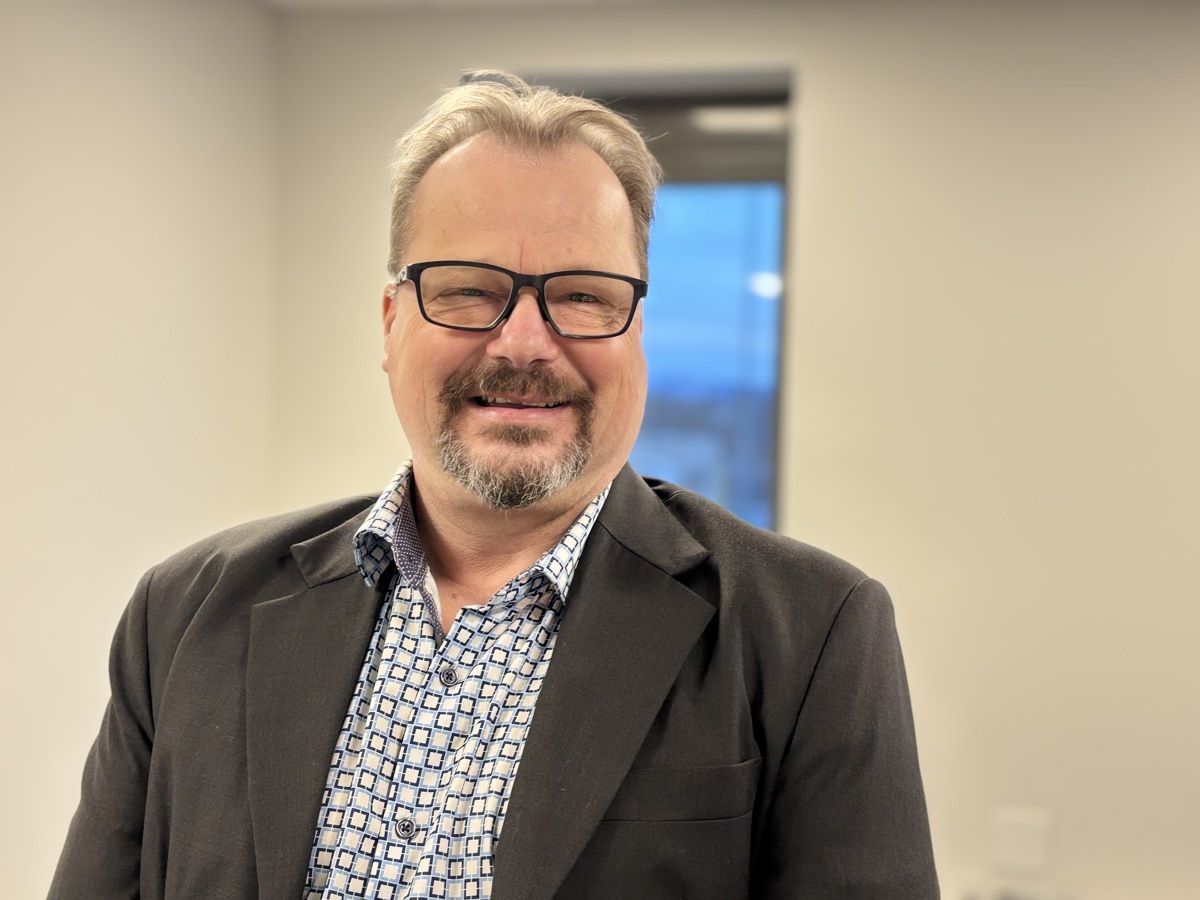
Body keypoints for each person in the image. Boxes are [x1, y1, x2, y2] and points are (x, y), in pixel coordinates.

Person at [50, 72, 938, 900]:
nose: (523, 344)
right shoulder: (182, 616)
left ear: (637, 330)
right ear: (391, 323)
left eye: (584, 295)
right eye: (470, 289)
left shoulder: (812, 635)